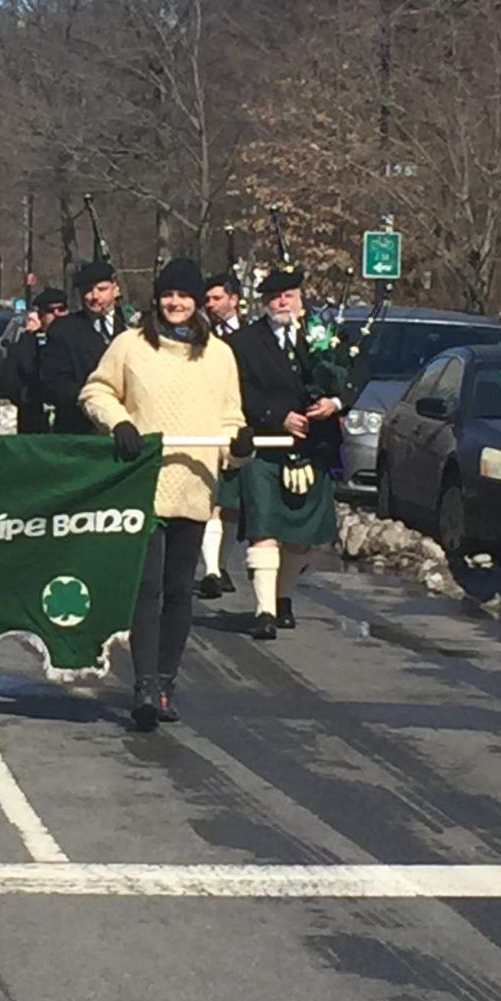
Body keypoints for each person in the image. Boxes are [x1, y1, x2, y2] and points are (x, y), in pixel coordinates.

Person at [81, 258, 250, 731]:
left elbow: (230, 417)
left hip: (194, 483)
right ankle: (142, 686)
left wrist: (238, 445)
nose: (175, 303)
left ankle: (165, 683)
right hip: (144, 483)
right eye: (167, 295)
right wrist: (120, 423)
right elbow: (96, 391)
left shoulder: (218, 355)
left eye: (184, 296)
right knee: (147, 586)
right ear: (157, 298)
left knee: (179, 590)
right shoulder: (131, 346)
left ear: (198, 302)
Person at [226, 267, 348, 641]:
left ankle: (282, 599)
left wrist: (335, 403)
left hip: (315, 447)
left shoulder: (324, 337)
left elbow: (355, 372)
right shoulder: (245, 342)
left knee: (300, 536)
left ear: (300, 297)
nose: (283, 302)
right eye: (275, 296)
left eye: (289, 295)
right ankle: (263, 610)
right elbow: (238, 389)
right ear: (265, 301)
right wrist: (276, 416)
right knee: (264, 527)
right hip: (266, 446)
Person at [199, 272, 245, 598]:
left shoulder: (254, 335)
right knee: (211, 499)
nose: (211, 305)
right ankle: (212, 570)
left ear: (234, 299)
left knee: (231, 504)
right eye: (208, 299)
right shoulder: (200, 335)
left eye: (217, 298)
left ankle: (223, 564)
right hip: (205, 420)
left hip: (239, 424)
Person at [40, 260, 122, 434]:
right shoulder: (64, 330)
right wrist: (94, 401)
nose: (94, 296)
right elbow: (54, 383)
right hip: (81, 428)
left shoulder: (134, 328)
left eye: (101, 289)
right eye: (88, 291)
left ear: (115, 289)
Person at [5, 289, 68, 434]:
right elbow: (13, 379)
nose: (57, 314)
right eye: (50, 311)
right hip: (35, 415)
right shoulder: (29, 342)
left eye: (62, 309)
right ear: (41, 315)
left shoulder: (77, 338)